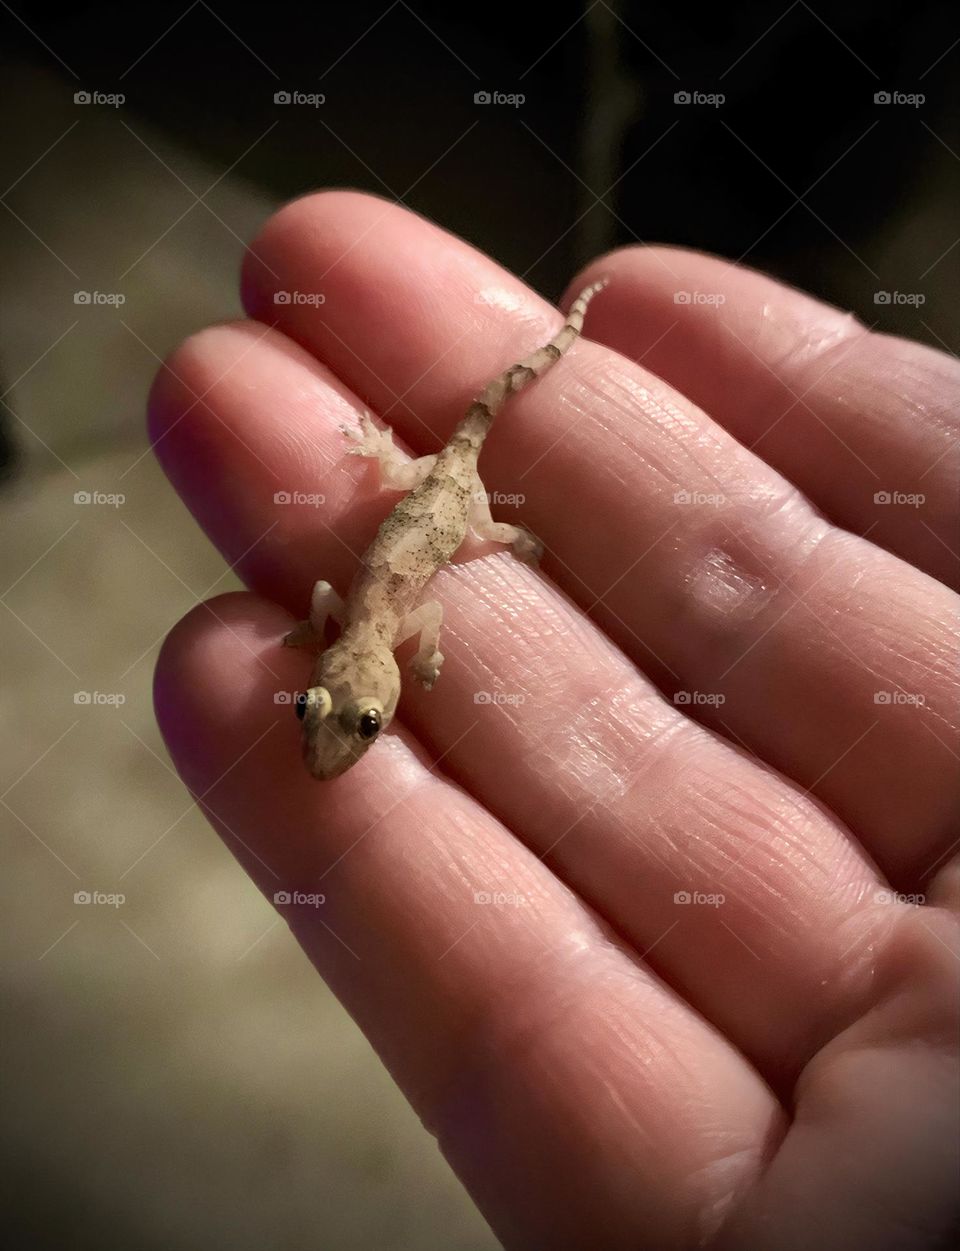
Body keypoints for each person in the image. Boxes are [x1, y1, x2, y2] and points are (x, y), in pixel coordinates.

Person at [149, 191, 958, 1250]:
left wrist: (445, 587)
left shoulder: (372, 635)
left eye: (339, 722)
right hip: (427, 503)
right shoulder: (355, 637)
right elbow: (348, 612)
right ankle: (537, 381)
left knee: (475, 509)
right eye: (340, 720)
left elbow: (394, 602)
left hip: (447, 503)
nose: (332, 733)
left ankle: (558, 352)